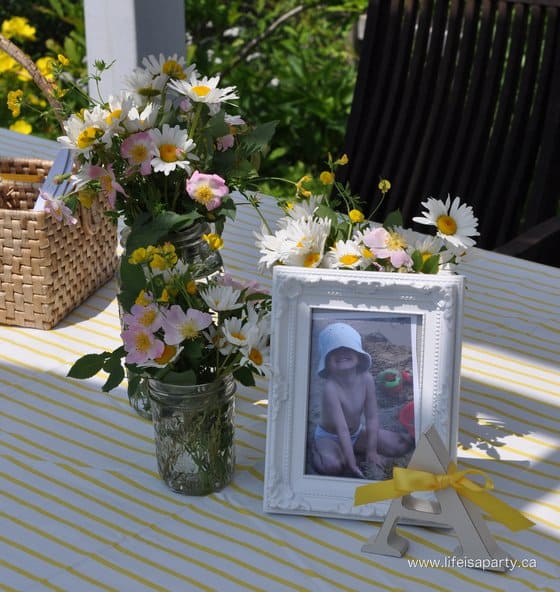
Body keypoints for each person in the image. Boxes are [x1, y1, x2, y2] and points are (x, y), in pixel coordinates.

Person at [311, 322, 413, 478]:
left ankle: (357, 452)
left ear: (359, 357)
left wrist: (372, 450)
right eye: (334, 351)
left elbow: (372, 417)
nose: (341, 353)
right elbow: (342, 429)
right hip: (330, 437)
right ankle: (318, 448)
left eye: (348, 349)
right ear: (327, 362)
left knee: (401, 445)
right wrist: (351, 463)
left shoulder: (366, 378)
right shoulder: (330, 387)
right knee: (332, 466)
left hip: (356, 433)